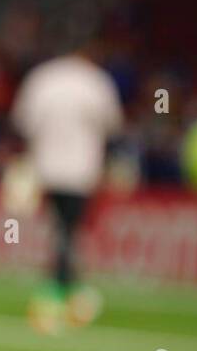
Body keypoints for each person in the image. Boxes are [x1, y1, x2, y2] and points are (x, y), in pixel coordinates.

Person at [11, 42, 124, 332]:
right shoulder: (96, 81)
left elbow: (23, 122)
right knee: (69, 230)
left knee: (60, 229)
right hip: (81, 170)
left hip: (45, 168)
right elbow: (113, 126)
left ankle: (64, 290)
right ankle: (60, 294)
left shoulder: (42, 77)